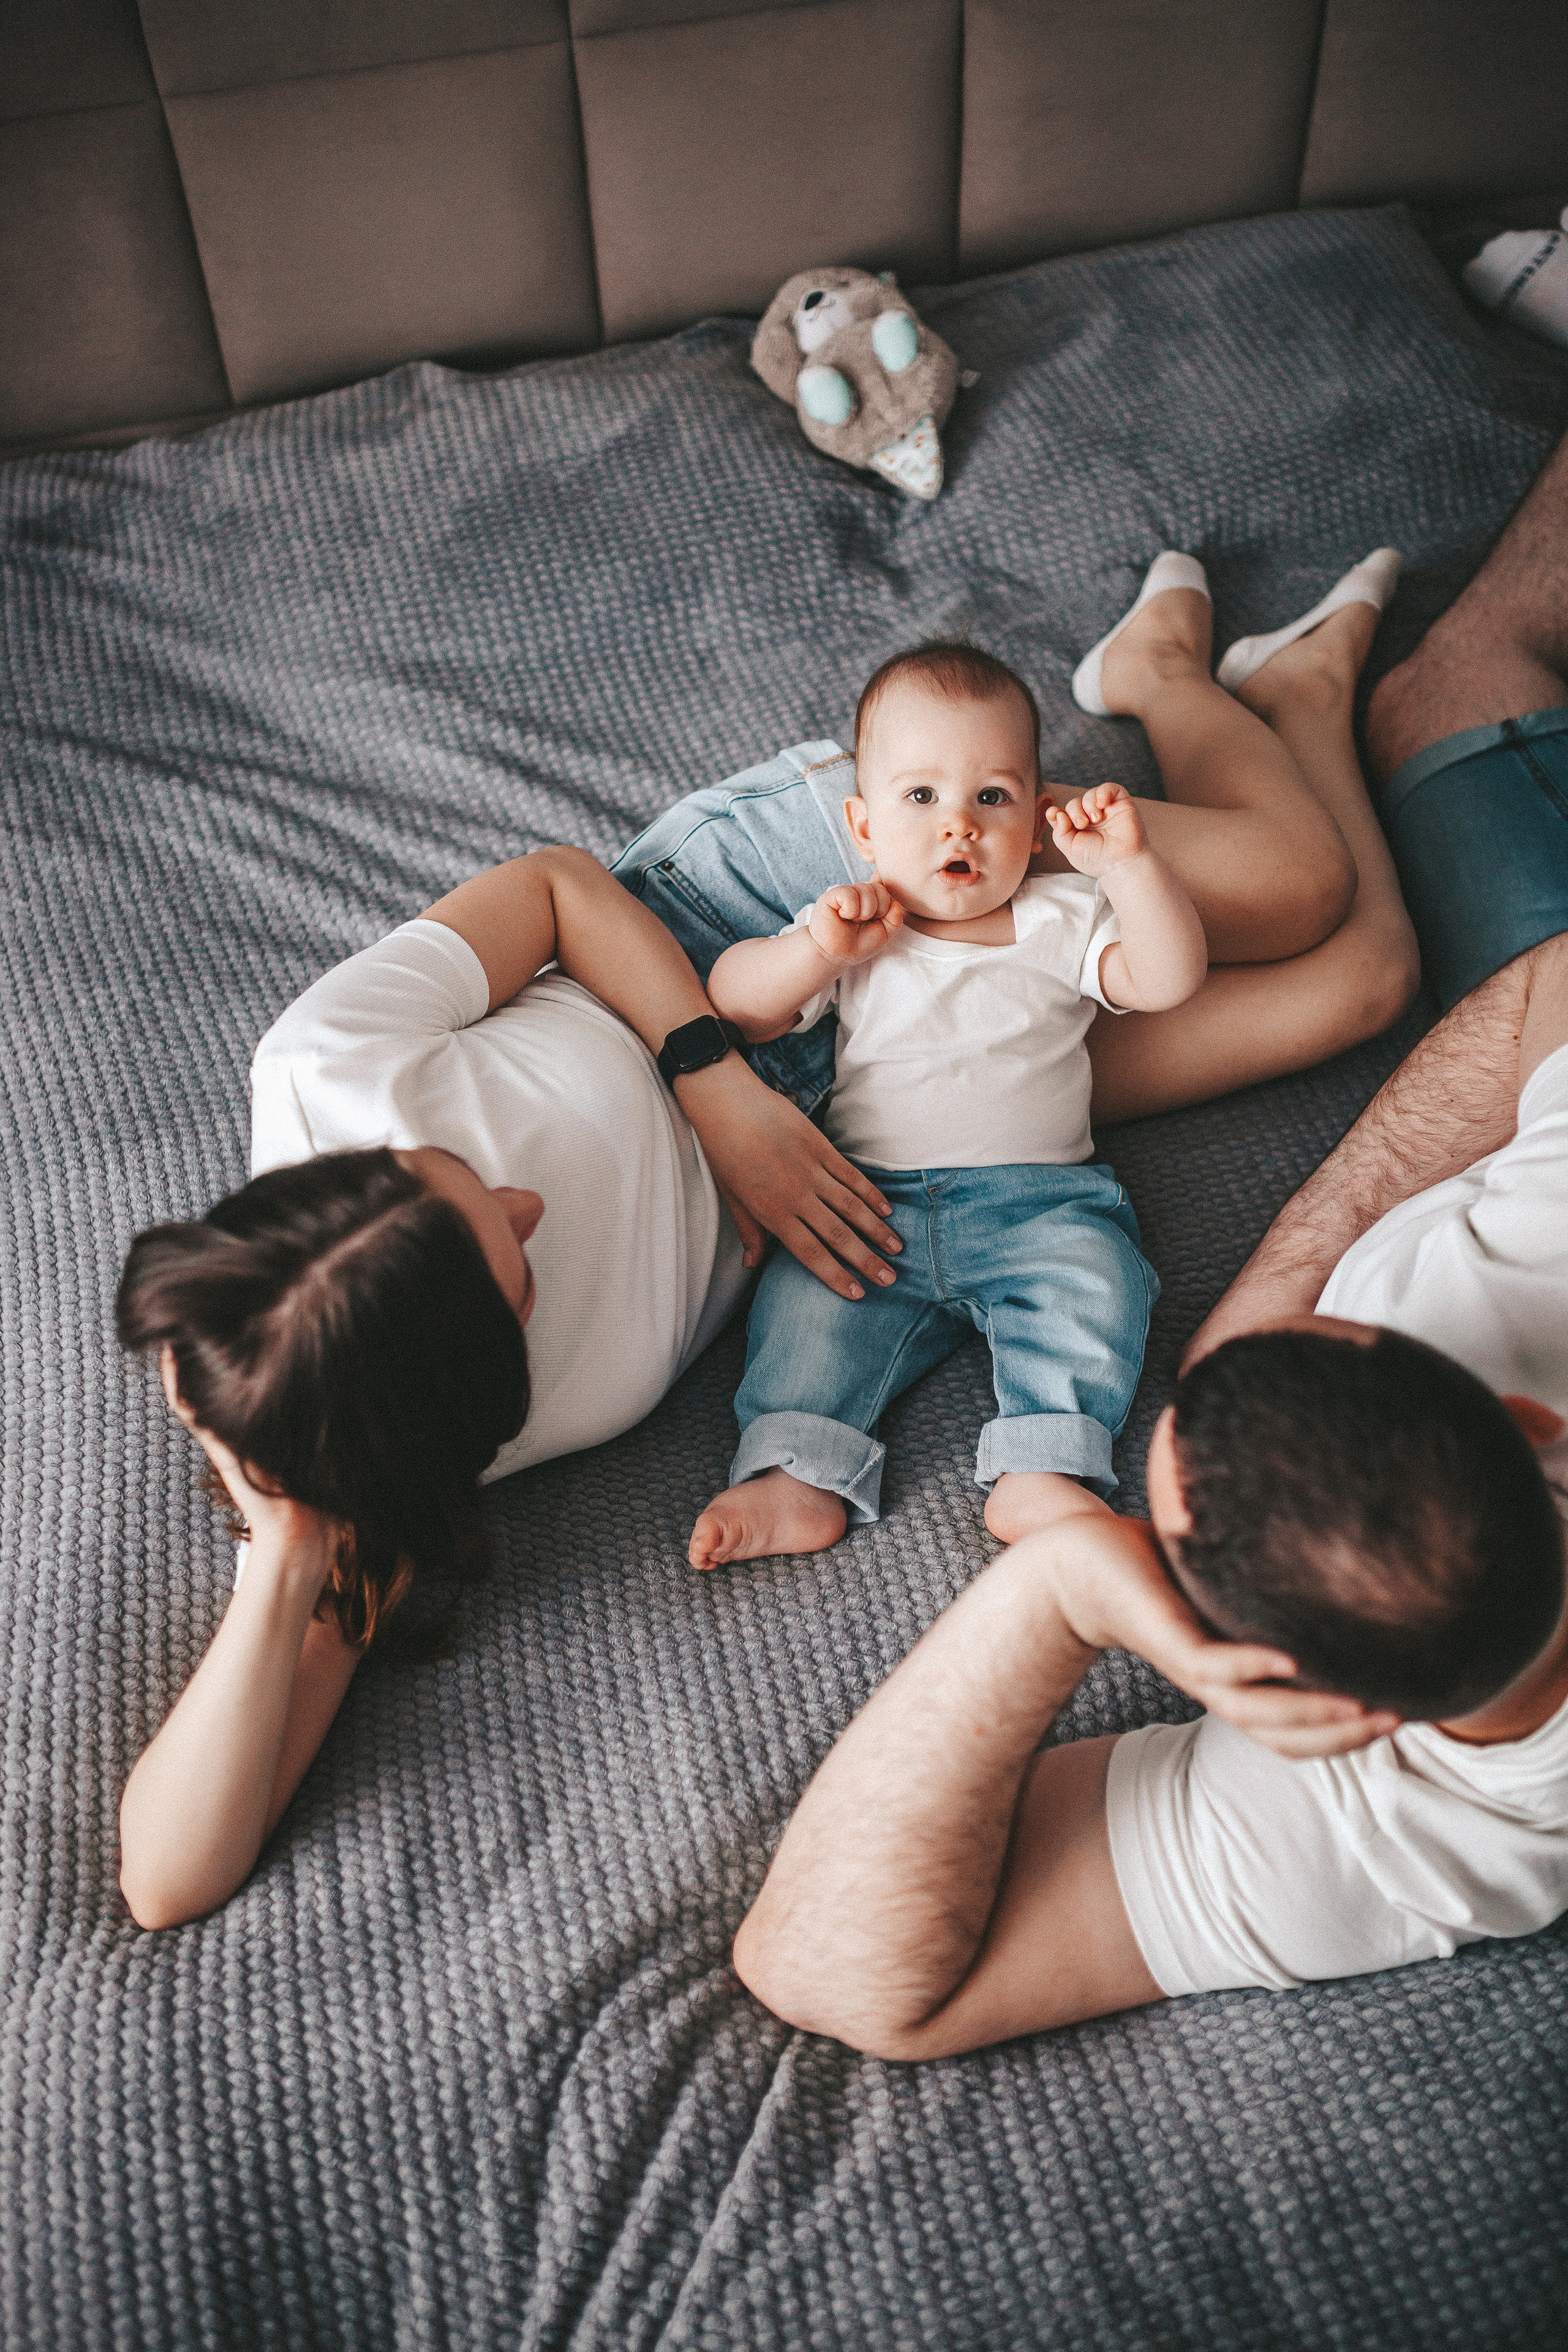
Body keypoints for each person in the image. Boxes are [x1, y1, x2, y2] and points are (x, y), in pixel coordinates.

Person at [115, 547, 1417, 1929]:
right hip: (878, 1128)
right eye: (518, 1266)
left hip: (747, 942)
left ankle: (1156, 675)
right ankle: (1302, 693)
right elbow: (165, 1880)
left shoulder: (326, 1065)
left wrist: (718, 1090)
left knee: (1294, 891)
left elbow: (560, 887)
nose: (525, 1202)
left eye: (454, 1175)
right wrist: (285, 1557)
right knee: (1361, 985)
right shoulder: (379, 1463)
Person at [730, 439, 1568, 2054]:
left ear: (1310, 1706)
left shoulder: (1417, 1835)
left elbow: (839, 1971)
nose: (1240, 1327)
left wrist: (1067, 1587)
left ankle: (1306, 703)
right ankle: (1278, 699)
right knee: (1397, 843)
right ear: (1532, 1422)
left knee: (1403, 836)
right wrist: (1293, 1262)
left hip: (1032, 1116)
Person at [689, 636, 1205, 1570]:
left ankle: (1045, 1468)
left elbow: (1168, 979)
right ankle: (795, 1476)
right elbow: (735, 1004)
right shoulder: (853, 927)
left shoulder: (1060, 917)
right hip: (869, 1204)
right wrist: (815, 953)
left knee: (1097, 1290)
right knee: (809, 1316)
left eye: (992, 799)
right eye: (921, 798)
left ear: (1039, 820)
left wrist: (1130, 869)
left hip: (1042, 1202)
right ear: (864, 824)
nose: (958, 827)